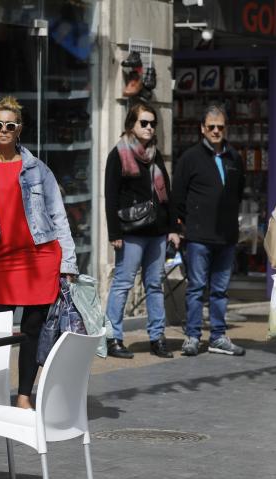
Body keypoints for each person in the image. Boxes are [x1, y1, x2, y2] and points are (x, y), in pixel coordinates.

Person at [0, 95, 79, 409]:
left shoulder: (38, 170)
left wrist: (67, 262)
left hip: (39, 258)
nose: (3, 130)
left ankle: (24, 396)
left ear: (19, 130)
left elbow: (57, 214)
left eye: (9, 125)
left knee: (31, 330)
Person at [104, 103, 179, 359]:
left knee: (155, 285)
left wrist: (172, 229)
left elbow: (166, 193)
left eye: (152, 123)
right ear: (131, 126)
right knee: (123, 284)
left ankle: (157, 338)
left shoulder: (155, 154)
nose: (149, 128)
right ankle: (113, 338)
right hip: (131, 233)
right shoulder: (119, 154)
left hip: (157, 232)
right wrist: (114, 233)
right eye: (143, 123)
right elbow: (110, 196)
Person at [171, 103, 246, 357]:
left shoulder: (234, 157)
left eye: (220, 127)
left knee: (220, 290)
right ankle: (192, 336)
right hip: (198, 235)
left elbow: (238, 192)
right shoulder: (190, 158)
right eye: (211, 127)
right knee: (196, 287)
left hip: (226, 236)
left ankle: (218, 337)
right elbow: (177, 196)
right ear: (202, 128)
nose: (216, 131)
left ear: (226, 129)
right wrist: (178, 229)